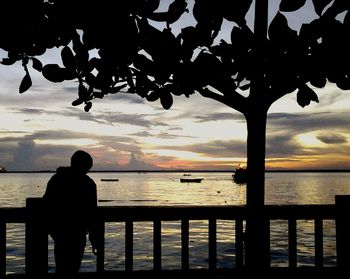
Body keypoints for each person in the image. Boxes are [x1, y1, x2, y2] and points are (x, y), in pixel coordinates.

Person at [42, 150, 98, 274]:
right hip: (76, 233)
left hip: (60, 233)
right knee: (73, 268)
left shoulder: (57, 179)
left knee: (61, 268)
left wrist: (52, 229)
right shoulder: (88, 184)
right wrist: (94, 238)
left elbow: (46, 204)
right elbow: (92, 214)